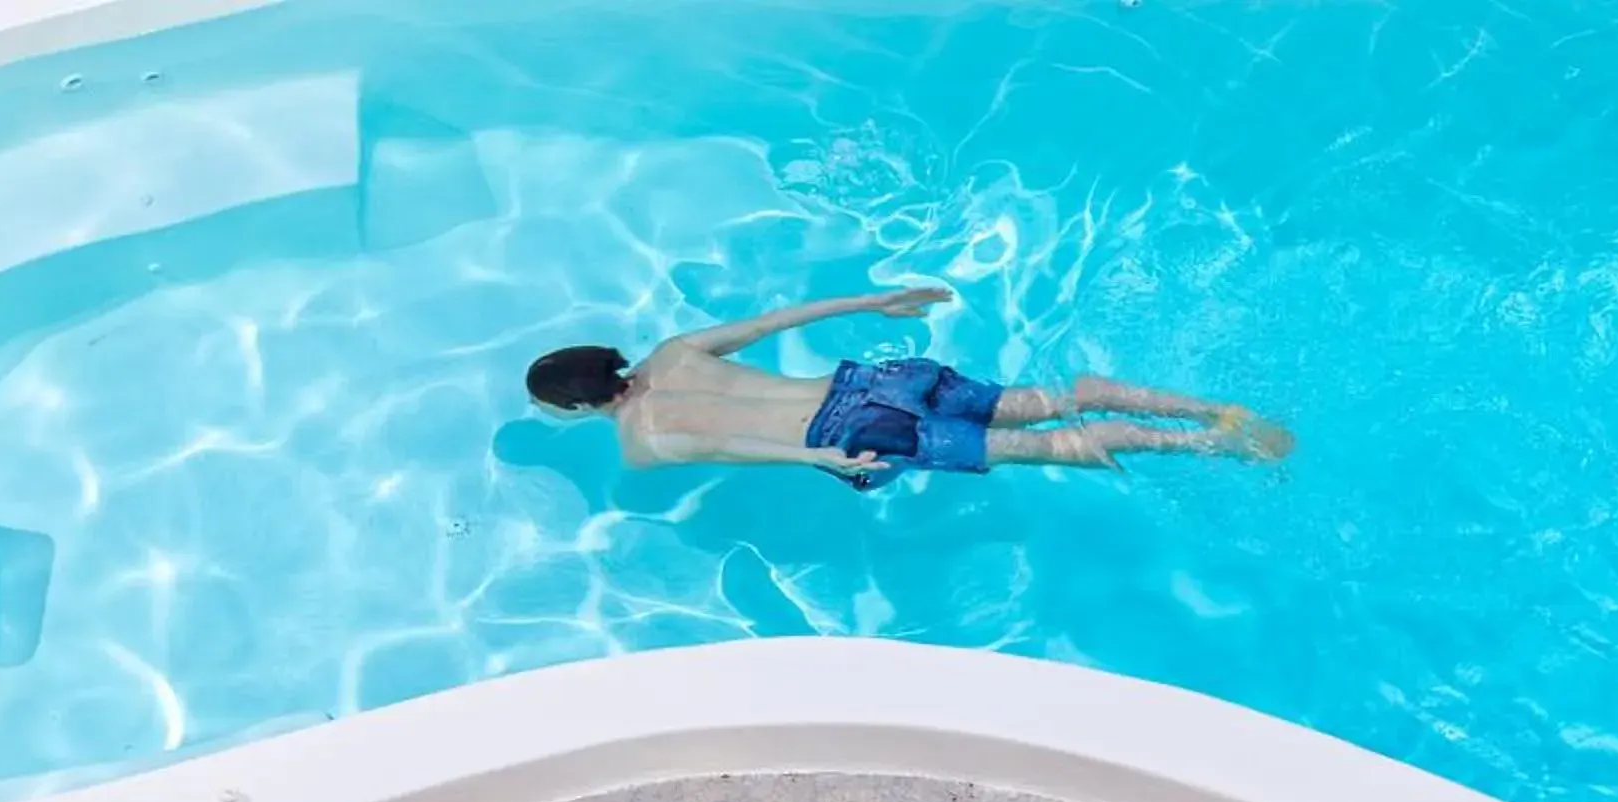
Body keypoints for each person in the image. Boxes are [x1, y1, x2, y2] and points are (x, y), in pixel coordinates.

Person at [523, 285, 1291, 489]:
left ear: (579, 406)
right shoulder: (673, 351)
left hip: (859, 434)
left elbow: (735, 445)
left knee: (1061, 446)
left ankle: (1208, 445)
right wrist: (873, 302)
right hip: (874, 380)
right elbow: (779, 318)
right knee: (1046, 400)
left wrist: (819, 462)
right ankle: (1199, 407)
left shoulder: (639, 445)